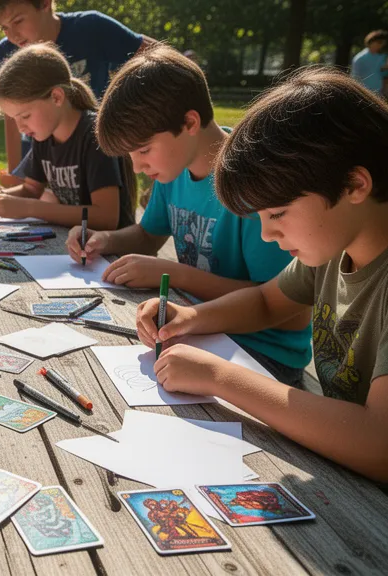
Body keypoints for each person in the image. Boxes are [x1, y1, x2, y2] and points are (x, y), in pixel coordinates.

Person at [135, 68, 388, 536]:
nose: (267, 234)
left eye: (276, 214)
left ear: (355, 185)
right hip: (340, 476)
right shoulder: (338, 239)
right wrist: (189, 316)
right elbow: (267, 302)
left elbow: (384, 446)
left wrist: (219, 376)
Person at [67, 44, 311, 387]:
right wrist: (103, 239)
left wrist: (174, 273)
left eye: (143, 150)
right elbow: (148, 236)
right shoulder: (173, 170)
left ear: (189, 122)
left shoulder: (255, 187)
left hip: (262, 356)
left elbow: (284, 307)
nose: (137, 167)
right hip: (197, 328)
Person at [0, 0, 154, 186]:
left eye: (18, 21)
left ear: (45, 4)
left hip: (94, 158)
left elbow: (159, 58)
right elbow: (11, 117)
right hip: (39, 164)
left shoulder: (91, 27)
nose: (12, 35)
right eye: (4, 28)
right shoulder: (5, 50)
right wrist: (15, 173)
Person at [0, 43, 133, 230]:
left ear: (56, 97)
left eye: (25, 116)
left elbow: (106, 217)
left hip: (111, 253)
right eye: (15, 118)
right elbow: (31, 189)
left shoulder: (94, 136)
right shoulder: (44, 135)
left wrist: (31, 208)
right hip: (74, 246)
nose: (21, 127)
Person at [351, 30, 388, 96]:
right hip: (364, 94)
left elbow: (383, 74)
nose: (380, 45)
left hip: (378, 93)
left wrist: (387, 68)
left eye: (383, 43)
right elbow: (355, 78)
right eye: (379, 42)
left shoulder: (381, 57)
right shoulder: (359, 58)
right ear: (371, 41)